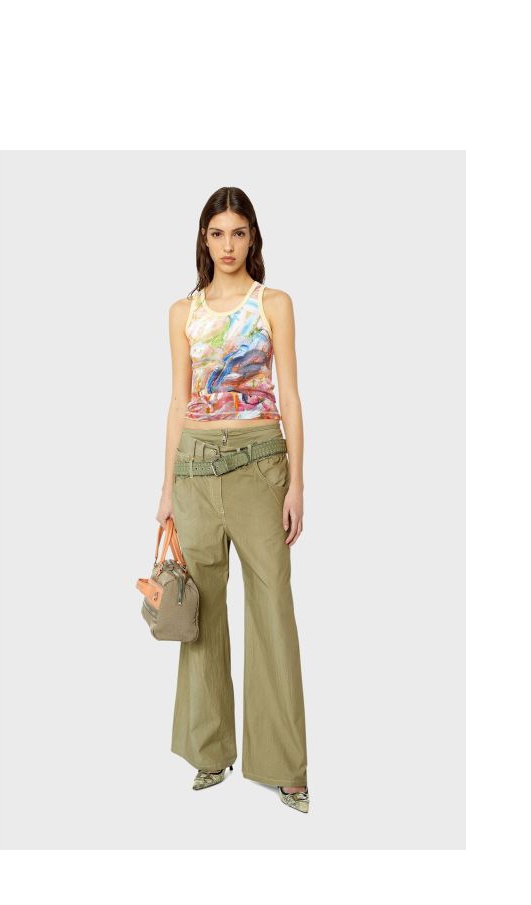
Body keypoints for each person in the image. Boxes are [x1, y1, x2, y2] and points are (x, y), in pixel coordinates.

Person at [156, 186, 309, 814]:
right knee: (201, 615)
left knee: (272, 610)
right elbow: (178, 400)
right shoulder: (181, 312)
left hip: (260, 465)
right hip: (194, 467)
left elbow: (290, 395)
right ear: (204, 238)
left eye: (238, 233)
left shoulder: (274, 303)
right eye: (217, 233)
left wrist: (297, 482)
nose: (227, 245)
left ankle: (284, 766)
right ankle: (209, 752)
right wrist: (166, 489)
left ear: (253, 238)